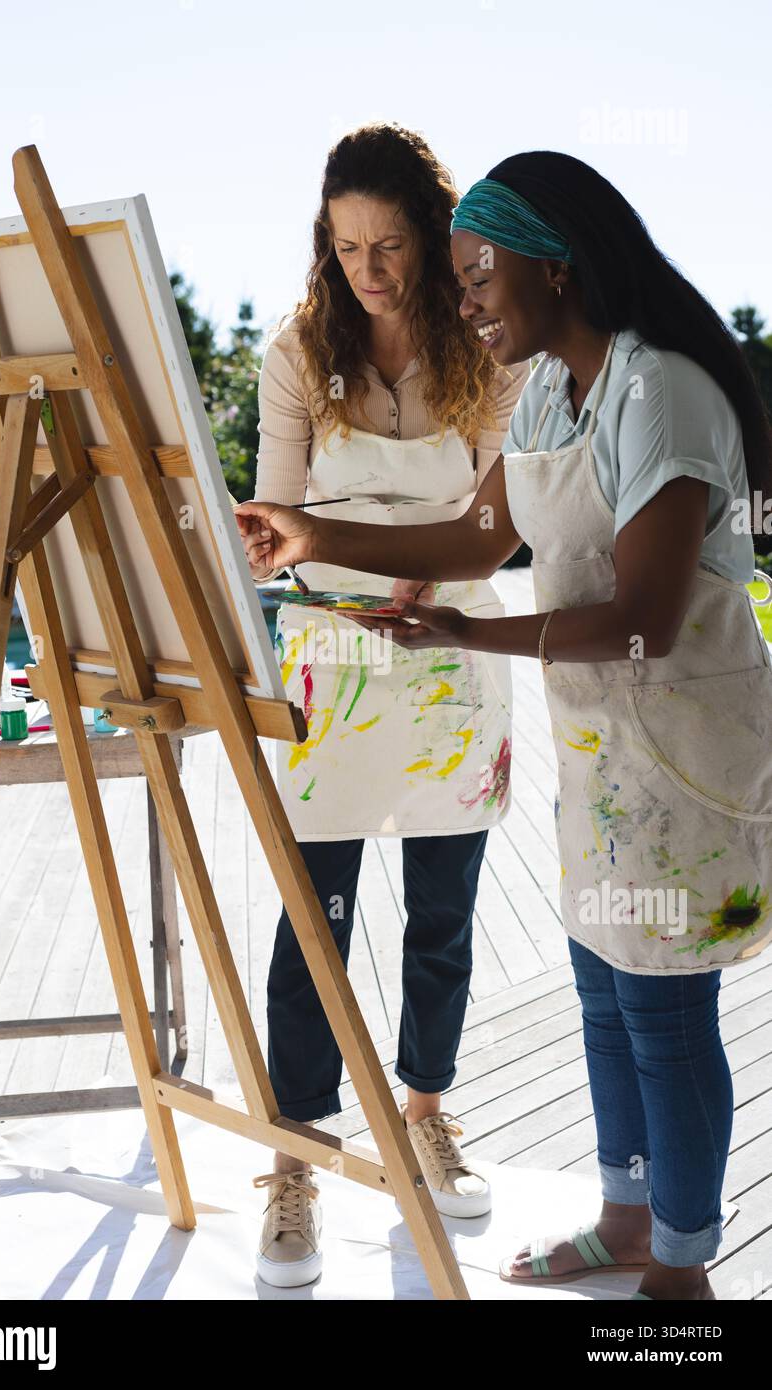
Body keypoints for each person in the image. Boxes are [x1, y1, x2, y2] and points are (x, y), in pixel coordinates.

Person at [236, 150, 772, 1301]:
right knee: (600, 991)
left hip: (684, 756)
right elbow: (480, 545)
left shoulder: (663, 389)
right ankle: (627, 1221)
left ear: (558, 268)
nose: (463, 298)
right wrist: (311, 536)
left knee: (666, 1014)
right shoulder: (548, 394)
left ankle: (683, 1274)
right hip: (603, 753)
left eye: (479, 275)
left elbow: (644, 619)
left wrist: (463, 641)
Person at [244, 124, 530, 1288]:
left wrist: (441, 570)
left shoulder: (489, 349)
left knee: (445, 906)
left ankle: (425, 1109)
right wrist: (306, 555)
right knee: (315, 914)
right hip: (335, 653)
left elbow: (498, 516)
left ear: (430, 233)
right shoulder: (296, 354)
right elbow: (275, 515)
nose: (367, 268)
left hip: (455, 643)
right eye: (346, 244)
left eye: (390, 243)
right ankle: (300, 1157)